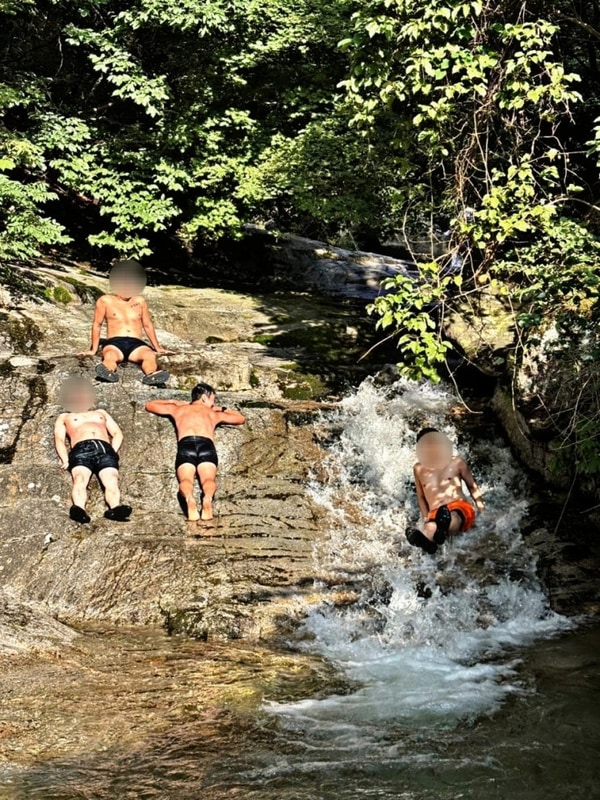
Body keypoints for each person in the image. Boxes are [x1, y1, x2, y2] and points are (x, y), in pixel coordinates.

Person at [145, 383, 245, 522]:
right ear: (204, 398)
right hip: (207, 445)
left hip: (186, 445)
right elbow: (240, 418)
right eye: (212, 400)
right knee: (208, 479)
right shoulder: (213, 413)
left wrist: (173, 402)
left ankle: (189, 498)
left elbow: (150, 405)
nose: (213, 404)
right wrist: (220, 409)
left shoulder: (179, 410)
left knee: (186, 479)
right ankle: (207, 498)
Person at [53, 376, 132, 524]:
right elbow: (59, 439)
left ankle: (115, 508)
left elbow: (117, 433)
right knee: (80, 478)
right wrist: (65, 458)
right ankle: (78, 508)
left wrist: (112, 451)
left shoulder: (101, 412)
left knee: (112, 479)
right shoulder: (65, 416)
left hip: (104, 447)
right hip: (81, 448)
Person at [80, 259, 170, 385]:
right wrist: (93, 350)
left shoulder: (140, 301)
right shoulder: (105, 301)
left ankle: (151, 375)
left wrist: (158, 348)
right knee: (110, 355)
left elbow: (147, 325)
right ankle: (108, 371)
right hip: (115, 342)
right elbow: (97, 324)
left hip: (136, 343)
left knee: (149, 355)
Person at [405, 427, 485, 555]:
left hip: (459, 507)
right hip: (435, 512)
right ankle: (428, 543)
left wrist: (482, 510)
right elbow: (421, 497)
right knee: (429, 527)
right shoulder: (418, 468)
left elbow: (472, 486)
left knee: (452, 517)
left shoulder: (457, 462)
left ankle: (441, 530)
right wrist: (426, 517)